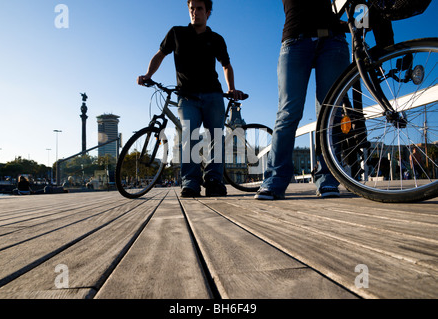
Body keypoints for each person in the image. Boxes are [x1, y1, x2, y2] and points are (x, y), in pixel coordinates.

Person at [138, 0, 244, 197]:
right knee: (189, 135)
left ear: (208, 12)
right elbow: (160, 55)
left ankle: (213, 180)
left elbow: (226, 65)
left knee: (215, 137)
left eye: (199, 9)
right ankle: (191, 182)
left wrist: (231, 89)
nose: (195, 12)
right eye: (191, 9)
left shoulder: (216, 38)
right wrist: (148, 75)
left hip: (213, 94)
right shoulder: (176, 33)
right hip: (187, 96)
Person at [255, 0, 350, 200]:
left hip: (333, 40)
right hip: (295, 38)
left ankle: (327, 178)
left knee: (331, 113)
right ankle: (274, 179)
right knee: (288, 113)